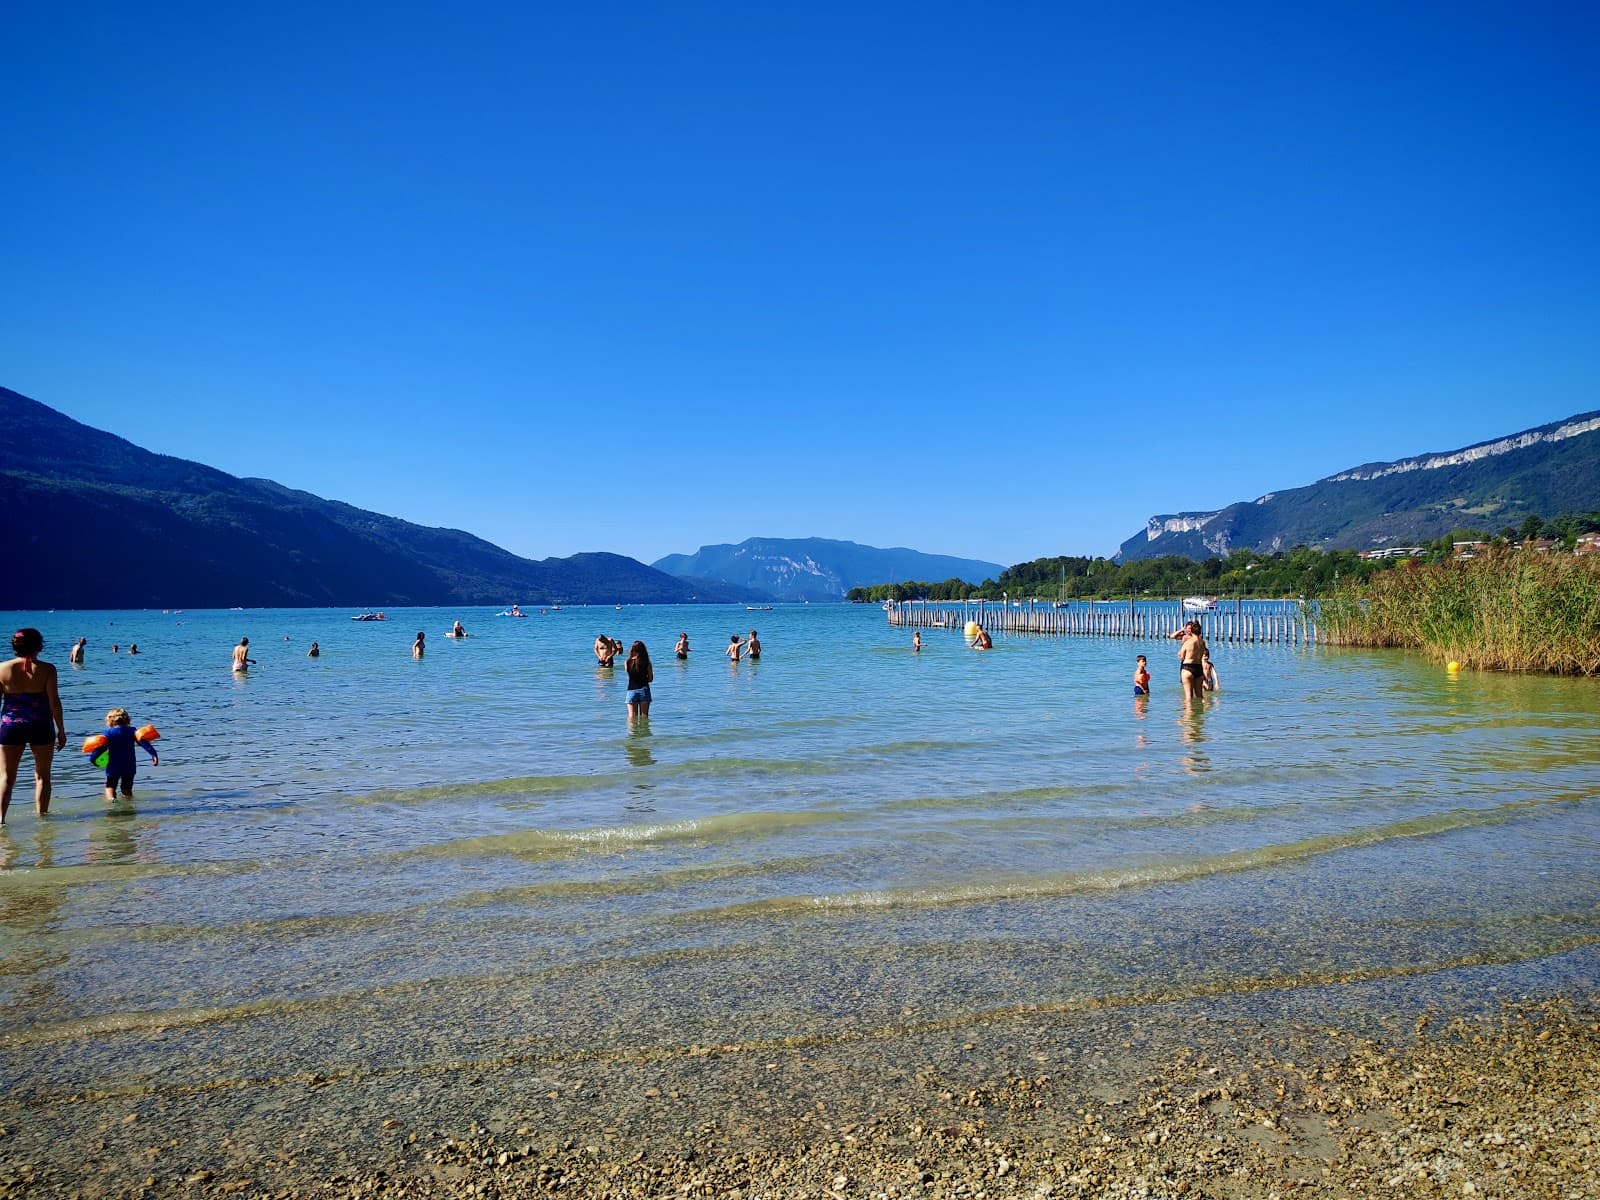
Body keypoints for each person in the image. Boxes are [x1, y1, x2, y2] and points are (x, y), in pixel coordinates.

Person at [0, 628, 67, 824]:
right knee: (42, 776)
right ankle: (42, 820)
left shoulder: (2, 668)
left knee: (6, 777)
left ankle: (1, 820)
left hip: (10, 727)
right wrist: (61, 730)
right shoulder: (47, 669)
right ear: (39, 645)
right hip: (41, 726)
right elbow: (54, 702)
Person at [98, 707, 158, 802]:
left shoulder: (108, 733)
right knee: (127, 788)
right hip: (129, 765)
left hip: (114, 765)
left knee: (110, 786)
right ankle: (129, 804)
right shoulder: (132, 731)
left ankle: (112, 799)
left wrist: (93, 759)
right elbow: (143, 743)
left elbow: (100, 749)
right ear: (127, 720)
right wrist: (154, 755)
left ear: (109, 721)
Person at [1171, 620, 1208, 699]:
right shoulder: (1203, 642)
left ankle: (1188, 711)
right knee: (1199, 696)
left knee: (1189, 697)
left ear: (1192, 631)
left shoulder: (1188, 642)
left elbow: (1181, 656)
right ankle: (1200, 711)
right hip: (1199, 668)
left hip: (1188, 667)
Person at [625, 640, 654, 722]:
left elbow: (630, 675)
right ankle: (644, 734)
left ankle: (632, 734)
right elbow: (651, 679)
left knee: (631, 717)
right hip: (644, 689)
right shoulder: (647, 662)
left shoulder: (627, 662)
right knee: (644, 717)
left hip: (631, 690)